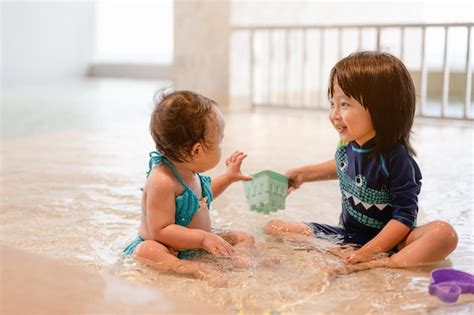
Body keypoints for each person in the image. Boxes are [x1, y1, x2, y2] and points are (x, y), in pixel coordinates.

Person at [264, 51, 458, 273]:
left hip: (394, 242)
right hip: (348, 236)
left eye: (344, 104)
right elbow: (342, 166)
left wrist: (369, 252)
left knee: (443, 233)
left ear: (381, 108)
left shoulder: (397, 159)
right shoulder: (348, 145)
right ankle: (342, 252)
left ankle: (384, 263)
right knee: (275, 228)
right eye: (332, 103)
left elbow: (404, 218)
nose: (334, 115)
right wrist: (300, 174)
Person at [124, 90, 258, 287]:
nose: (222, 146)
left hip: (197, 243)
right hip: (169, 248)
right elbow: (161, 230)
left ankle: (241, 259)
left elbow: (202, 198)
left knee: (244, 237)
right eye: (220, 141)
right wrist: (202, 238)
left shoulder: (190, 171)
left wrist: (228, 178)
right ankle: (190, 268)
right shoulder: (162, 181)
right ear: (196, 150)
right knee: (147, 250)